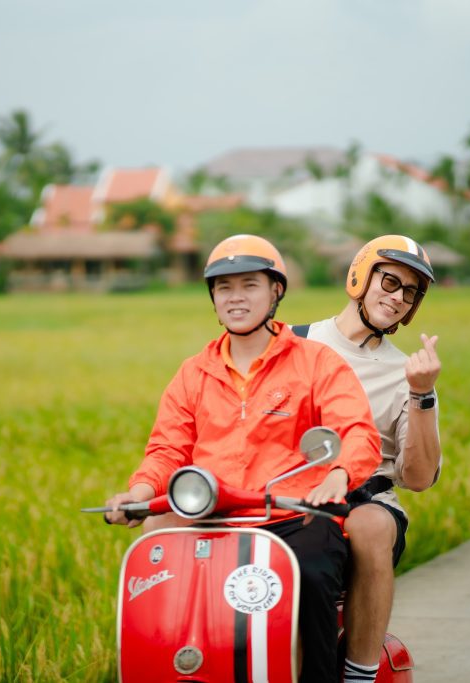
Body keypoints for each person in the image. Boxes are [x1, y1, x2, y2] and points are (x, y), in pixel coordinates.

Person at [104, 234, 382, 682]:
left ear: (276, 291)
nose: (235, 298)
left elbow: (356, 431)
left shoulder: (317, 362)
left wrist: (339, 473)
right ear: (212, 299)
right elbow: (168, 449)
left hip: (295, 516)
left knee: (310, 575)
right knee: (157, 583)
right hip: (210, 517)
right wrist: (138, 493)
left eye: (249, 285)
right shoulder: (193, 372)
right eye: (224, 288)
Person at [292, 234, 442, 683]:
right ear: (361, 275)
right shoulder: (296, 343)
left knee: (370, 525)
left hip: (363, 500)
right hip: (289, 494)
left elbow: (417, 477)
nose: (397, 299)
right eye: (390, 282)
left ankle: (359, 672)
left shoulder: (406, 372)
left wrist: (421, 394)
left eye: (410, 293)